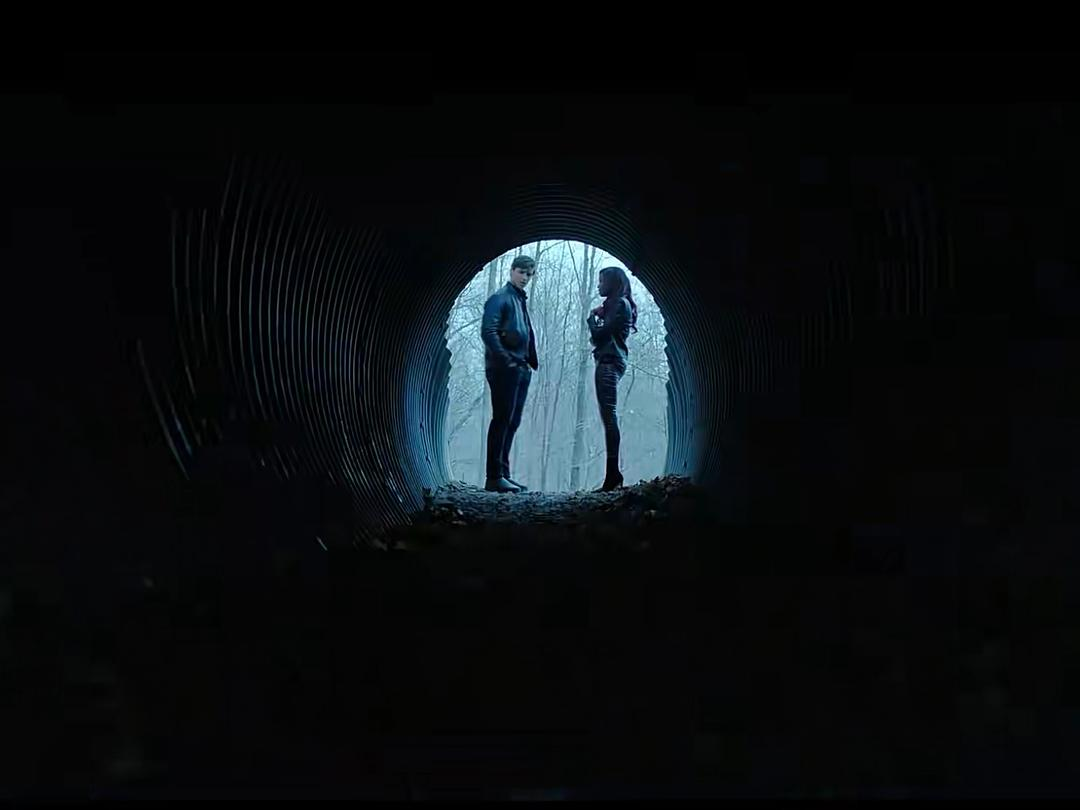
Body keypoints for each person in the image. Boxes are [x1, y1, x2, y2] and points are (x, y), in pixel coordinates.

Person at [480, 255, 539, 493]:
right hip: (505, 368)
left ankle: (503, 474)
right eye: (521, 272)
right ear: (512, 270)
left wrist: (526, 363)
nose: (525, 278)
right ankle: (494, 476)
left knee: (512, 421)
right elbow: (489, 331)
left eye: (529, 274)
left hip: (520, 367)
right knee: (502, 420)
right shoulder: (500, 298)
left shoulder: (518, 299)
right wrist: (506, 360)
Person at [587, 266, 638, 491]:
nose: (599, 285)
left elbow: (600, 335)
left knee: (609, 417)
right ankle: (612, 474)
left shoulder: (619, 305)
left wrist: (591, 319)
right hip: (610, 360)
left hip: (609, 361)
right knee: (608, 417)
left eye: (602, 281)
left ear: (612, 283)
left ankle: (613, 474)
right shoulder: (616, 305)